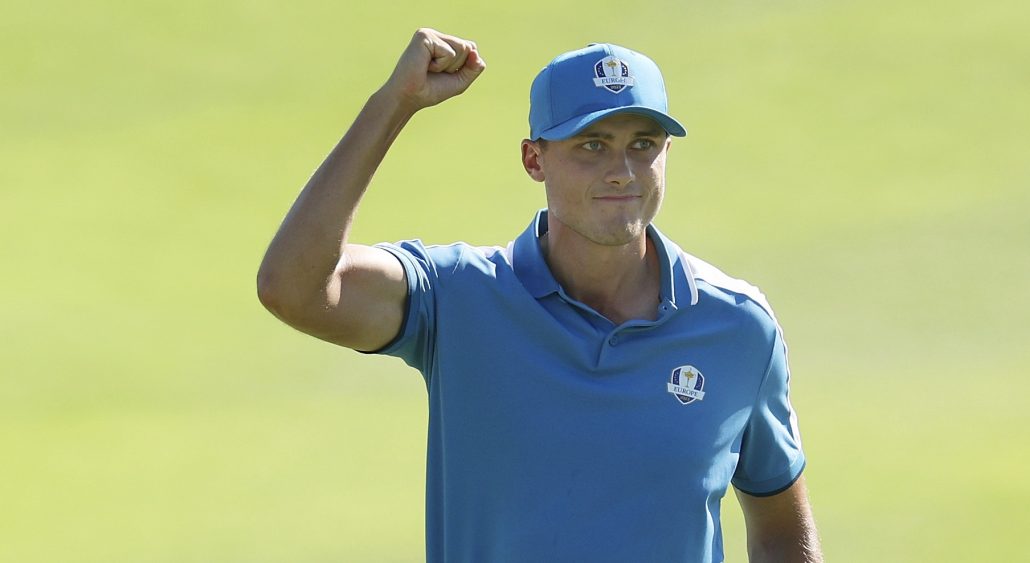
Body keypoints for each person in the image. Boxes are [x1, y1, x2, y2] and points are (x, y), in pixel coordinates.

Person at [257, 28, 822, 563]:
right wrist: (395, 103)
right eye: (592, 145)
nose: (623, 171)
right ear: (534, 160)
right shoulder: (456, 298)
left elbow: (780, 532)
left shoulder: (738, 328)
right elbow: (295, 288)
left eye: (643, 144)